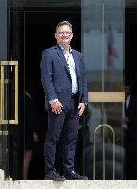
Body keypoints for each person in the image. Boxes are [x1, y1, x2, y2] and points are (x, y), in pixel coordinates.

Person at [40, 21, 88, 180]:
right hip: (58, 104)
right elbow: (47, 78)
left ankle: (69, 170)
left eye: (67, 32)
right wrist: (52, 99)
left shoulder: (78, 56)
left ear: (72, 35)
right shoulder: (50, 53)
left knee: (71, 138)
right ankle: (50, 171)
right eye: (61, 32)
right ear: (56, 36)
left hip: (75, 103)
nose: (65, 35)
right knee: (53, 137)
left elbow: (83, 80)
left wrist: (83, 100)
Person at [123, 84, 137, 179]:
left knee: (133, 159)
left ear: (131, 89)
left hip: (133, 135)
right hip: (119, 135)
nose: (126, 90)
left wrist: (129, 120)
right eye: (124, 88)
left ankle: (132, 180)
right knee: (121, 158)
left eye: (128, 88)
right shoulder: (117, 100)